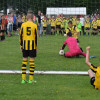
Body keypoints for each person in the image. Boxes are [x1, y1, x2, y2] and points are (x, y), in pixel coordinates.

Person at [19, 11, 38, 84]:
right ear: (33, 17)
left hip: (24, 45)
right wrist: (36, 47)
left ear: (27, 17)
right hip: (32, 45)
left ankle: (23, 79)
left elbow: (21, 36)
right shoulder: (34, 25)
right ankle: (30, 80)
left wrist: (21, 45)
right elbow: (36, 37)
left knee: (24, 62)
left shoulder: (23, 25)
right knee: (32, 62)